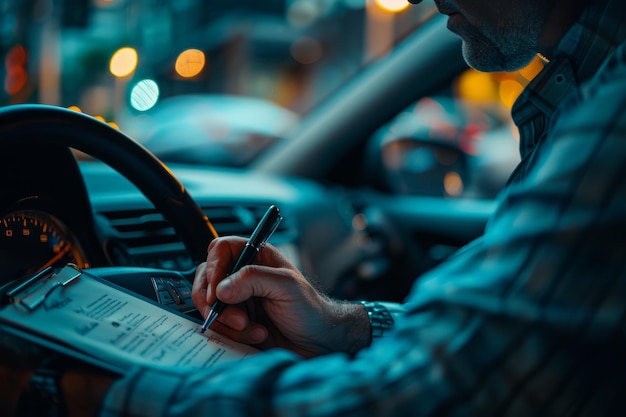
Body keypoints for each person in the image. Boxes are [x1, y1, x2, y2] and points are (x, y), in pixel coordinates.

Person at [8, 0, 626, 415]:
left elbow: (433, 395)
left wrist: (80, 391)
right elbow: (504, 337)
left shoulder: (613, 117)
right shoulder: (586, 93)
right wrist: (343, 328)